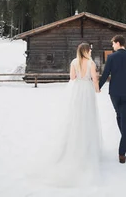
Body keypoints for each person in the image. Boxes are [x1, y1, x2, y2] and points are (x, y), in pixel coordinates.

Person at [32, 42, 103, 187]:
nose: (90, 51)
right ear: (86, 51)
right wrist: (97, 89)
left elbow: (72, 78)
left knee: (75, 116)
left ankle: (72, 146)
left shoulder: (74, 62)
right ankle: (87, 148)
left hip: (77, 90)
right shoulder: (91, 63)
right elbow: (95, 79)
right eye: (89, 49)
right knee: (87, 117)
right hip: (87, 90)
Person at [98, 35, 126, 164]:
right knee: (125, 119)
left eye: (113, 44)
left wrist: (98, 87)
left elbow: (105, 74)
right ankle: (124, 145)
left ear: (118, 43)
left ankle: (122, 150)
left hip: (115, 93)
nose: (112, 46)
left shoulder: (111, 57)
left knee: (119, 116)